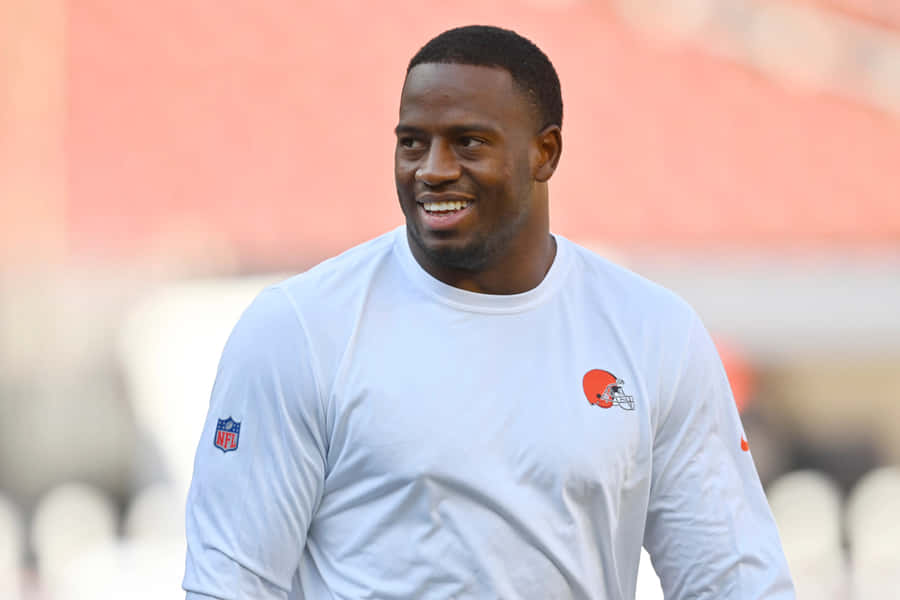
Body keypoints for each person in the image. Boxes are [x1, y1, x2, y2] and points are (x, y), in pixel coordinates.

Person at [183, 25, 795, 599]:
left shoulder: (654, 332)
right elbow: (230, 584)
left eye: (468, 142)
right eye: (412, 142)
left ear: (545, 153)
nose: (433, 170)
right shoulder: (299, 330)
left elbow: (731, 580)